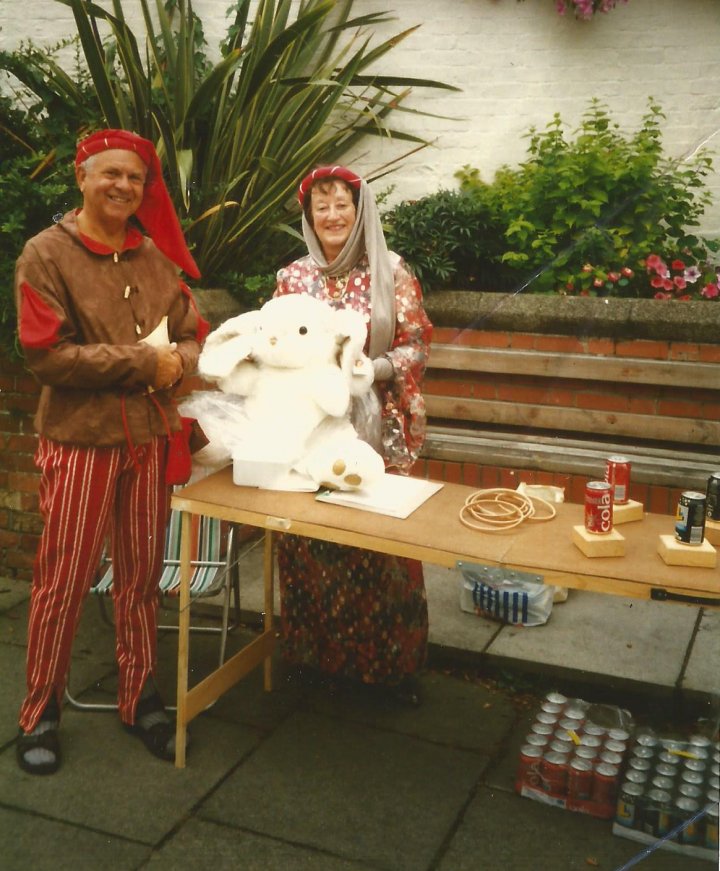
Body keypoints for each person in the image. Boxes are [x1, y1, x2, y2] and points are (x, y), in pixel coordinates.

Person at [14, 129, 209, 774]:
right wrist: (145, 362)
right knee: (62, 579)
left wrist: (180, 358)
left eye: (134, 178)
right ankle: (39, 710)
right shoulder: (45, 255)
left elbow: (191, 333)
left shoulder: (155, 258)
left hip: (148, 439)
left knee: (139, 576)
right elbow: (45, 355)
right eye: (110, 174)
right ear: (82, 177)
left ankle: (138, 695)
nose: (123, 186)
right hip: (81, 441)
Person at [274, 165, 432, 705]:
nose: (333, 216)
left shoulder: (391, 269)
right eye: (322, 208)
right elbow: (271, 348)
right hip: (310, 428)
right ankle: (315, 663)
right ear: (309, 218)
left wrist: (379, 370)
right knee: (310, 538)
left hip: (378, 428)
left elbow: (416, 344)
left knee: (380, 544)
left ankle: (390, 673)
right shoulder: (291, 278)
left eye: (342, 204)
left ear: (360, 210)